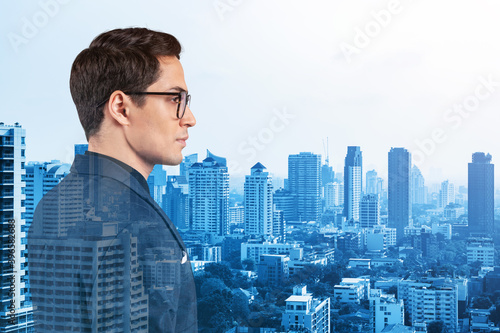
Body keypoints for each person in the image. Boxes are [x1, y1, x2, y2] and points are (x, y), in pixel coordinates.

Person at [28, 28, 197, 332]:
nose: (189, 117)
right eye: (175, 99)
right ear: (121, 108)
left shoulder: (50, 206)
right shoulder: (138, 229)